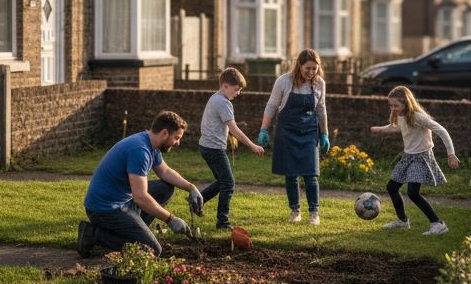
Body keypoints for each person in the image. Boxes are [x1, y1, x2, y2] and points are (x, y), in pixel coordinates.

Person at [76, 111, 206, 257]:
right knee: (151, 249)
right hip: (104, 210)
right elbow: (141, 197)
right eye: (177, 138)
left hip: (123, 201)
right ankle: (93, 235)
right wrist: (171, 219)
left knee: (165, 188)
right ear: (164, 133)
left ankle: (137, 230)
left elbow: (165, 171)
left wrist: (191, 188)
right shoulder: (140, 150)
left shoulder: (151, 143)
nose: (178, 143)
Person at [369, 85, 459, 236]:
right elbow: (396, 127)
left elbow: (441, 130)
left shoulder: (418, 117)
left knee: (413, 193)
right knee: (392, 187)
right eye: (391, 105)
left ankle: (438, 224)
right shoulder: (401, 115)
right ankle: (402, 221)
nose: (393, 108)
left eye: (396, 105)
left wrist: (451, 154)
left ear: (406, 103)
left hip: (421, 157)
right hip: (408, 156)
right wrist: (380, 129)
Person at [257, 49, 329, 225]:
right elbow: (272, 105)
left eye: (314, 68)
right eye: (307, 68)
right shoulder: (284, 81)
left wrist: (324, 133)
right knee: (291, 174)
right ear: (299, 66)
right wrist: (263, 129)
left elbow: (321, 109)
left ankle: (314, 213)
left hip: (309, 132)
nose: (311, 72)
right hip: (287, 131)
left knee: (311, 174)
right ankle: (295, 211)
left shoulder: (319, 83)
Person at [198, 67, 265, 230]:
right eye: (236, 89)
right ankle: (223, 222)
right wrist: (252, 146)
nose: (238, 93)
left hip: (205, 147)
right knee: (228, 183)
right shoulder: (224, 102)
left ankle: (196, 200)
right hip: (214, 149)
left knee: (222, 181)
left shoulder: (214, 98)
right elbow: (234, 129)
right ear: (225, 86)